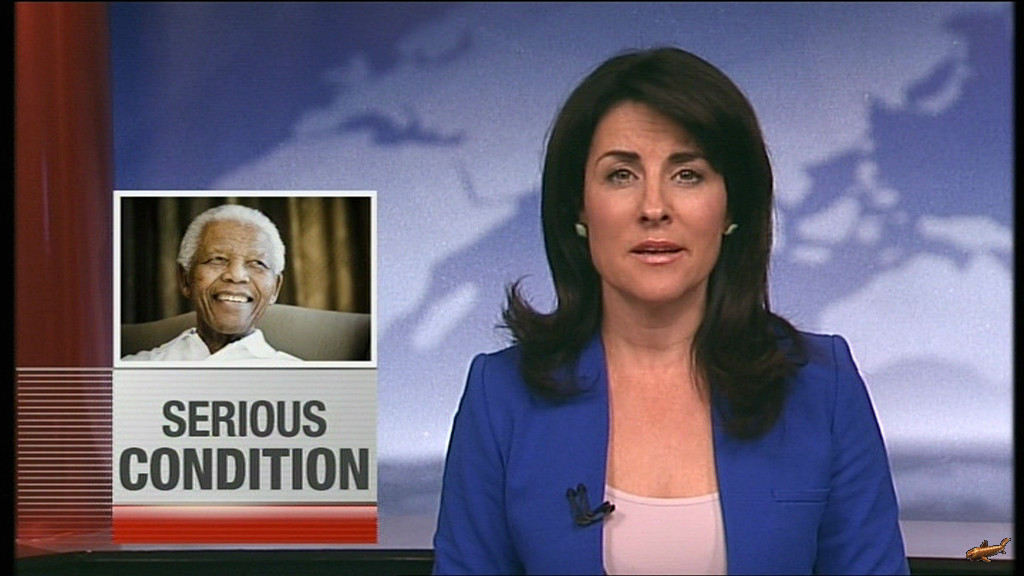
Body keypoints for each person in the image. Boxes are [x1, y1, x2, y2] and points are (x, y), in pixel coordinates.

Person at [432, 47, 908, 575]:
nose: (654, 207)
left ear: (731, 207)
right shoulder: (502, 396)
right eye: (621, 175)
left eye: (687, 174)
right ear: (578, 207)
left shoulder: (822, 387)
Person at [121, 203, 302, 362]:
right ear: (185, 279)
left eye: (257, 263)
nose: (236, 275)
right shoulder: (132, 371)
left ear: (275, 288)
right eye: (218, 259)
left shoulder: (301, 377)